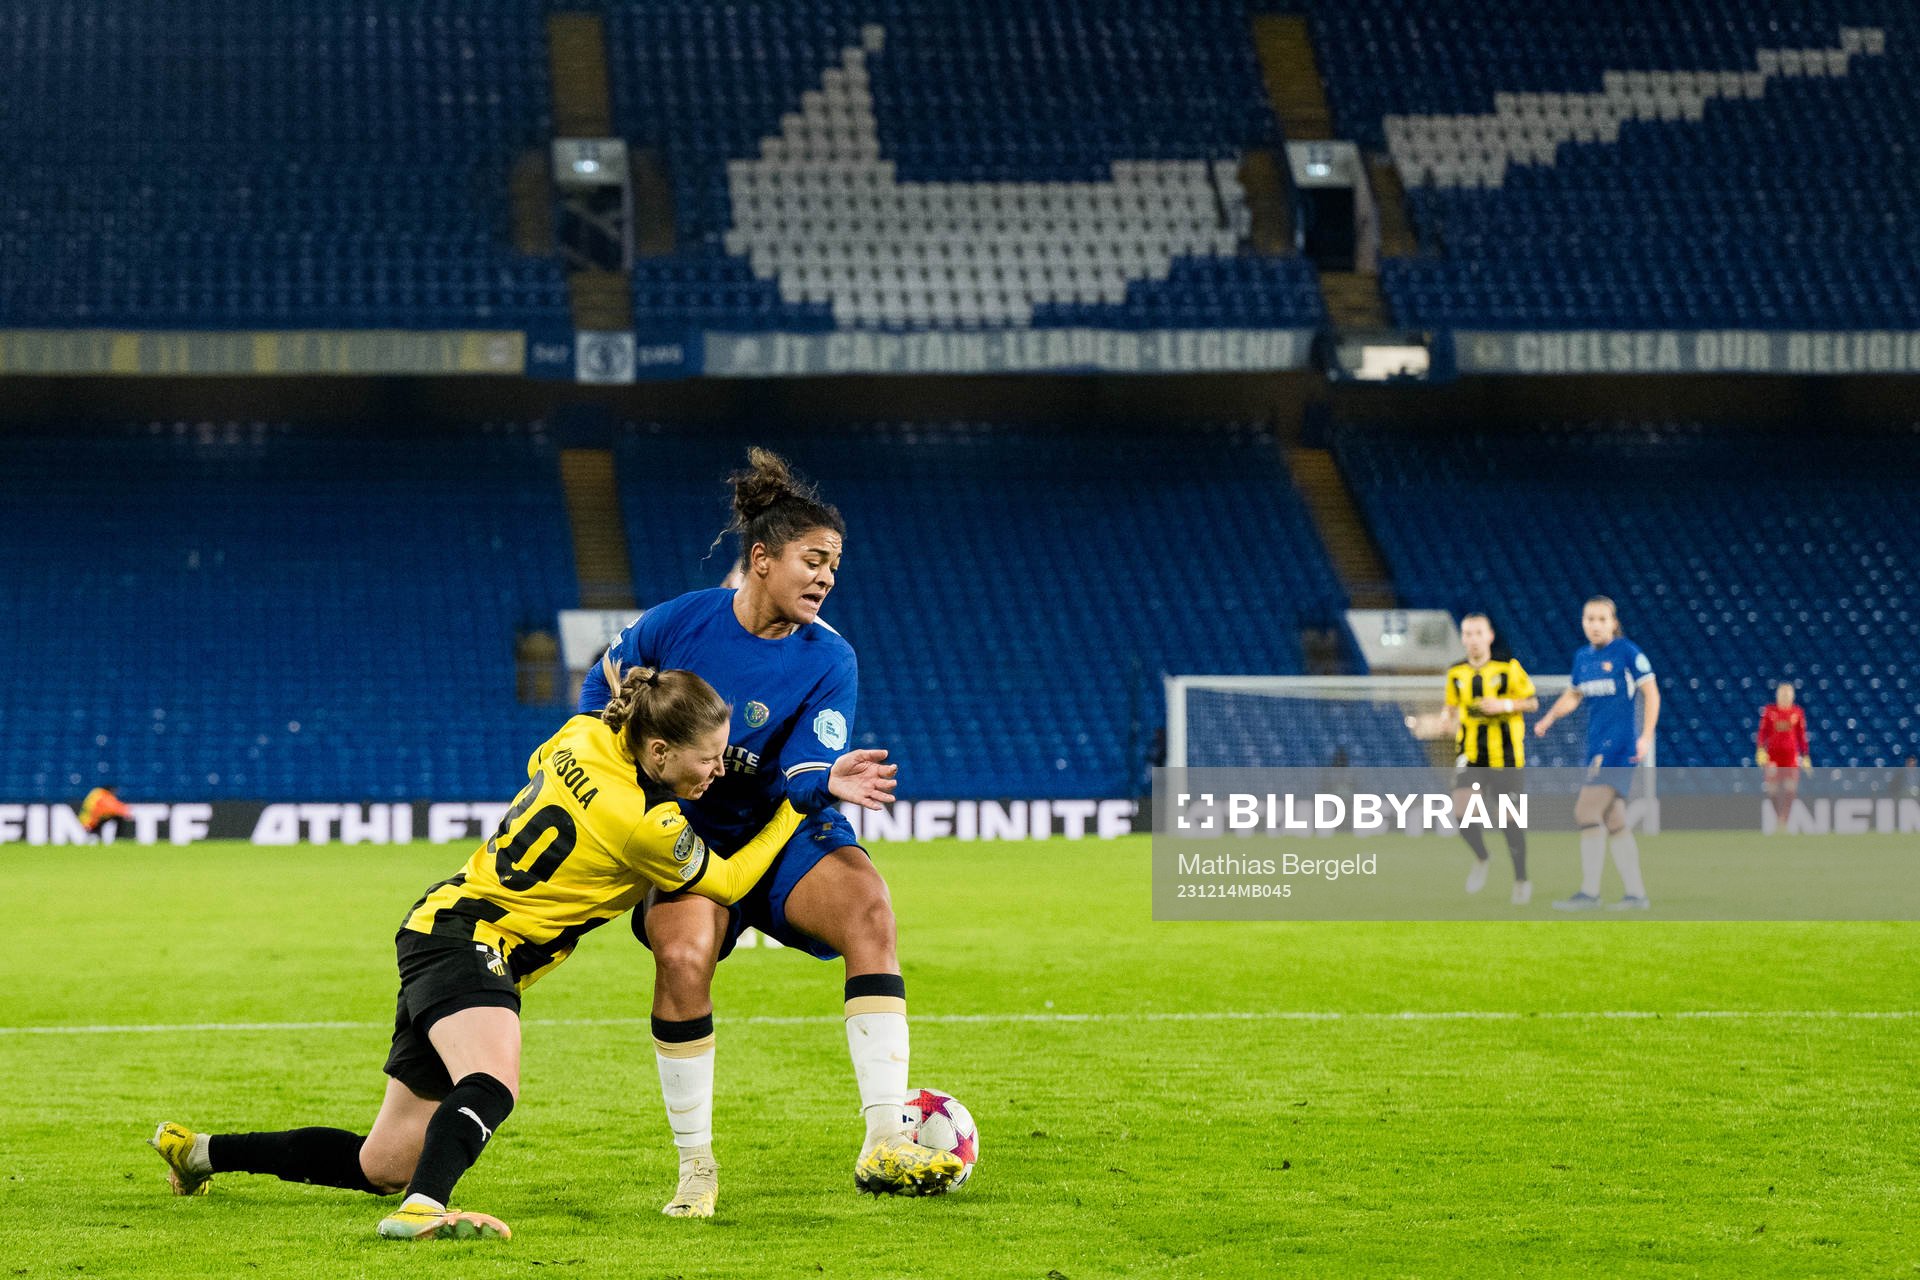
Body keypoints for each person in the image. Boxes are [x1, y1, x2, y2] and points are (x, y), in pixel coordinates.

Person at [146, 666, 893, 1241]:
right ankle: (424, 1209)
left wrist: (722, 764)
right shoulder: (648, 826)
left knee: (381, 1161)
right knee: (492, 1081)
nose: (716, 774)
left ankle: (201, 1152)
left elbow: (571, 757)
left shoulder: (581, 737)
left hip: (440, 923)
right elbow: (727, 881)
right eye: (703, 762)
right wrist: (798, 803)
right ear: (658, 750)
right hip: (474, 940)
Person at [579, 447, 960, 1212]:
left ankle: (884, 1137)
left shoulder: (831, 659)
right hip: (688, 832)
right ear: (761, 560)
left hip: (782, 829)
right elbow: (599, 691)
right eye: (811, 560)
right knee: (682, 954)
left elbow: (802, 772)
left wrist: (829, 780)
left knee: (869, 909)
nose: (825, 577)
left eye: (834, 565)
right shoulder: (679, 622)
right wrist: (625, 788)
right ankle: (697, 1167)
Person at [1534, 595, 1661, 911]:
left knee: (1585, 812)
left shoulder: (1627, 652)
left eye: (1602, 619)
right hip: (1596, 747)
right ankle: (1636, 895)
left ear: (1613, 623)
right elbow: (1574, 694)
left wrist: (1645, 736)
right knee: (1614, 820)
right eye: (1589, 619)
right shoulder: (1582, 658)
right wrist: (1549, 718)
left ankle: (1589, 894)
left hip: (1619, 748)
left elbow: (1652, 692)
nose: (1595, 625)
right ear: (1582, 622)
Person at [1437, 614, 1538, 904]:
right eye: (1467, 634)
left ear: (1490, 636)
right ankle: (1482, 857)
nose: (1472, 639)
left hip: (1505, 756)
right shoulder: (1456, 672)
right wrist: (1446, 717)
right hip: (1470, 753)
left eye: (1477, 633)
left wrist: (1504, 704)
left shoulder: (1508, 668)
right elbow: (1451, 705)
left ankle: (1521, 879)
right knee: (1460, 811)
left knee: (1509, 819)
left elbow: (1532, 701)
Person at [1756, 682, 1811, 829]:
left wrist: (1805, 755)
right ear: (1778, 695)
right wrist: (1760, 749)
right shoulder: (1769, 711)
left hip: (1790, 756)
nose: (1785, 696)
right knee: (1772, 788)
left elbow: (1801, 735)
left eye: (1788, 693)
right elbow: (1762, 732)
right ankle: (1778, 816)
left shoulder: (1798, 712)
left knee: (1790, 787)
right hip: (1773, 756)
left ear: (1792, 696)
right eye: (1783, 693)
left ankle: (1784, 819)